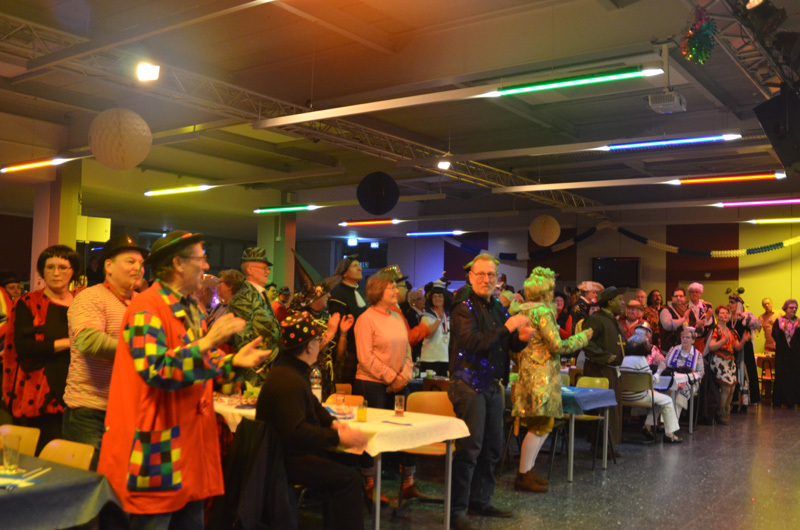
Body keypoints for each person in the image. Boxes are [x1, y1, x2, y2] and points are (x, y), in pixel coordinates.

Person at [97, 231, 270, 527]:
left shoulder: (192, 308)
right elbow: (156, 370)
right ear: (178, 263)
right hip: (158, 446)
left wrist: (233, 361)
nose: (206, 266)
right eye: (201, 259)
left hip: (189, 445)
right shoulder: (146, 307)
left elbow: (202, 361)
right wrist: (208, 342)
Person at [256, 311, 367, 530]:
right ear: (309, 347)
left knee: (349, 465)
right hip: (283, 461)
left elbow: (315, 407)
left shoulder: (290, 371)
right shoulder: (289, 380)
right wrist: (338, 437)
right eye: (318, 339)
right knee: (349, 479)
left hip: (287, 453)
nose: (320, 343)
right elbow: (297, 432)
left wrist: (333, 423)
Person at [448, 253, 531, 529]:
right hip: (468, 384)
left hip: (493, 385)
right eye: (481, 274)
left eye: (491, 275)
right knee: (470, 448)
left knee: (493, 447)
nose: (486, 279)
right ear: (471, 277)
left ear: (497, 279)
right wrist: (508, 328)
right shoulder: (462, 307)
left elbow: (506, 343)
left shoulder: (496, 306)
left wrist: (521, 339)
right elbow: (472, 342)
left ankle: (480, 502)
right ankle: (456, 511)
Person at [62, 234, 147, 470]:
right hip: (90, 411)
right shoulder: (90, 297)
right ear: (108, 266)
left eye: (141, 263)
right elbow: (90, 342)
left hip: (129, 410)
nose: (138, 268)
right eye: (130, 261)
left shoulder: (143, 302)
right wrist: (144, 351)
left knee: (120, 484)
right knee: (90, 484)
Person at [513, 267, 591, 493]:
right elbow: (557, 346)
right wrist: (582, 338)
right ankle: (524, 474)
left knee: (537, 425)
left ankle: (527, 471)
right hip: (542, 377)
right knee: (542, 425)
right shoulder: (543, 312)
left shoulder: (520, 311)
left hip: (526, 374)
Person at [3, 245, 80, 453]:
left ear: (73, 271)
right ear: (42, 271)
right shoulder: (29, 302)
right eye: (50, 267)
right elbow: (24, 348)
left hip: (77, 391)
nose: (56, 273)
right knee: (44, 455)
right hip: (40, 393)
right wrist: (69, 343)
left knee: (75, 457)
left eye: (63, 267)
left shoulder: (82, 302)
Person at [353, 269, 420, 502]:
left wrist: (404, 375)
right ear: (377, 291)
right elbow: (365, 357)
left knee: (408, 430)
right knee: (373, 436)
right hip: (371, 385)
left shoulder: (396, 317)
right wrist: (392, 377)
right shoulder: (366, 319)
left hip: (399, 383)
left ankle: (409, 483)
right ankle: (370, 485)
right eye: (391, 287)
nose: (396, 290)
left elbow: (408, 351)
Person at [229, 247, 281, 386]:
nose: (268, 272)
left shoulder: (260, 294)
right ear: (250, 270)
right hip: (256, 374)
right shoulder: (243, 298)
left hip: (268, 369)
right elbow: (243, 342)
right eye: (264, 268)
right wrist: (254, 378)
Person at [582, 286, 627, 448]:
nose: (623, 303)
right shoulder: (596, 319)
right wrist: (605, 356)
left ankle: (609, 445)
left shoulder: (614, 321)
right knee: (603, 409)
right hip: (599, 370)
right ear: (609, 302)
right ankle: (600, 446)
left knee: (614, 409)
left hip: (613, 371)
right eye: (620, 300)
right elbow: (585, 342)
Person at [620, 334, 682, 443]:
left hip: (623, 395)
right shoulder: (641, 360)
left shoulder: (624, 359)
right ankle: (669, 434)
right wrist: (660, 370)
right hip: (639, 396)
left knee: (661, 399)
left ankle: (647, 426)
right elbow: (651, 382)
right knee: (667, 400)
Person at [328, 254, 366, 385]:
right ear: (344, 273)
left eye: (359, 265)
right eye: (355, 266)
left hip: (362, 351)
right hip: (349, 354)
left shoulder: (360, 293)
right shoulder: (339, 296)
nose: (360, 268)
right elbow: (339, 330)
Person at [706, 305, 748, 424]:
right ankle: (720, 413)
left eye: (727, 313)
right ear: (717, 316)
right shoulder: (716, 330)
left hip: (730, 361)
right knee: (726, 387)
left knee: (732, 388)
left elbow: (737, 347)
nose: (725, 315)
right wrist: (722, 341)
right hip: (719, 360)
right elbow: (711, 346)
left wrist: (743, 340)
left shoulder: (731, 331)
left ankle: (725, 410)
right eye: (722, 313)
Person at [728, 295, 761, 411]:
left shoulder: (746, 315)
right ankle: (735, 402)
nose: (730, 305)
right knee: (734, 375)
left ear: (738, 304)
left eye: (732, 302)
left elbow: (757, 325)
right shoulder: (728, 318)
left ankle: (745, 403)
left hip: (746, 349)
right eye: (729, 302)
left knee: (745, 374)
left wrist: (745, 317)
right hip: (733, 350)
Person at [665, 327, 704, 421]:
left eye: (688, 337)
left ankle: (671, 424)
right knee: (668, 393)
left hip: (690, 382)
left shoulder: (697, 354)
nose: (685, 339)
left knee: (679, 395)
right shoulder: (673, 350)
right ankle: (667, 423)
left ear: (693, 341)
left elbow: (701, 373)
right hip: (673, 380)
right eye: (683, 337)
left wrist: (690, 375)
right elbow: (665, 365)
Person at [419, 280, 451, 377]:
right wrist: (439, 320)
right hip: (429, 359)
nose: (437, 299)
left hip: (445, 358)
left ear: (445, 298)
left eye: (440, 296)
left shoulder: (449, 315)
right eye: (434, 296)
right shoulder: (426, 316)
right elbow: (429, 335)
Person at [771, 299, 799, 409]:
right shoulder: (779, 321)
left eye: (796, 307)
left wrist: (796, 329)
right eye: (791, 307)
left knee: (794, 377)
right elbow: (775, 335)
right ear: (786, 308)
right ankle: (779, 400)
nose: (794, 309)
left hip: (795, 355)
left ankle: (792, 401)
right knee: (781, 376)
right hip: (782, 354)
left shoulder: (798, 321)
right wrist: (784, 331)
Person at [660, 287, 691, 353]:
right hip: (670, 351)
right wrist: (684, 318)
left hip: (686, 349)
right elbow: (668, 326)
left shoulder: (689, 310)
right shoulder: (665, 310)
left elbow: (696, 326)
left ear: (685, 298)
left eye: (681, 296)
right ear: (672, 298)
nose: (678, 298)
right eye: (676, 296)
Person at [686, 282, 714, 350]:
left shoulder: (707, 306)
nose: (694, 294)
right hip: (688, 340)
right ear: (689, 293)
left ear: (700, 293)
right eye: (692, 292)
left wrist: (703, 322)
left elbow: (711, 324)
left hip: (704, 340)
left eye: (697, 292)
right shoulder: (685, 307)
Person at [403, 288, 426, 362]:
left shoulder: (424, 313)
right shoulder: (410, 314)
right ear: (413, 302)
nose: (423, 301)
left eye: (424, 298)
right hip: (416, 349)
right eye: (420, 299)